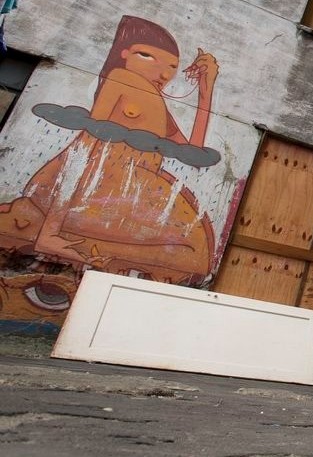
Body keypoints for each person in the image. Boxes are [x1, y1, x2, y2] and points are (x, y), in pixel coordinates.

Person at [0, 15, 218, 283]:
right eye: (149, 57)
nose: (164, 73)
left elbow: (192, 152)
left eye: (172, 66)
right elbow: (90, 141)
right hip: (95, 182)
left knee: (194, 252)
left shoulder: (157, 101)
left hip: (135, 190)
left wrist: (206, 91)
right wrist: (51, 230)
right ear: (125, 53)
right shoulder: (120, 78)